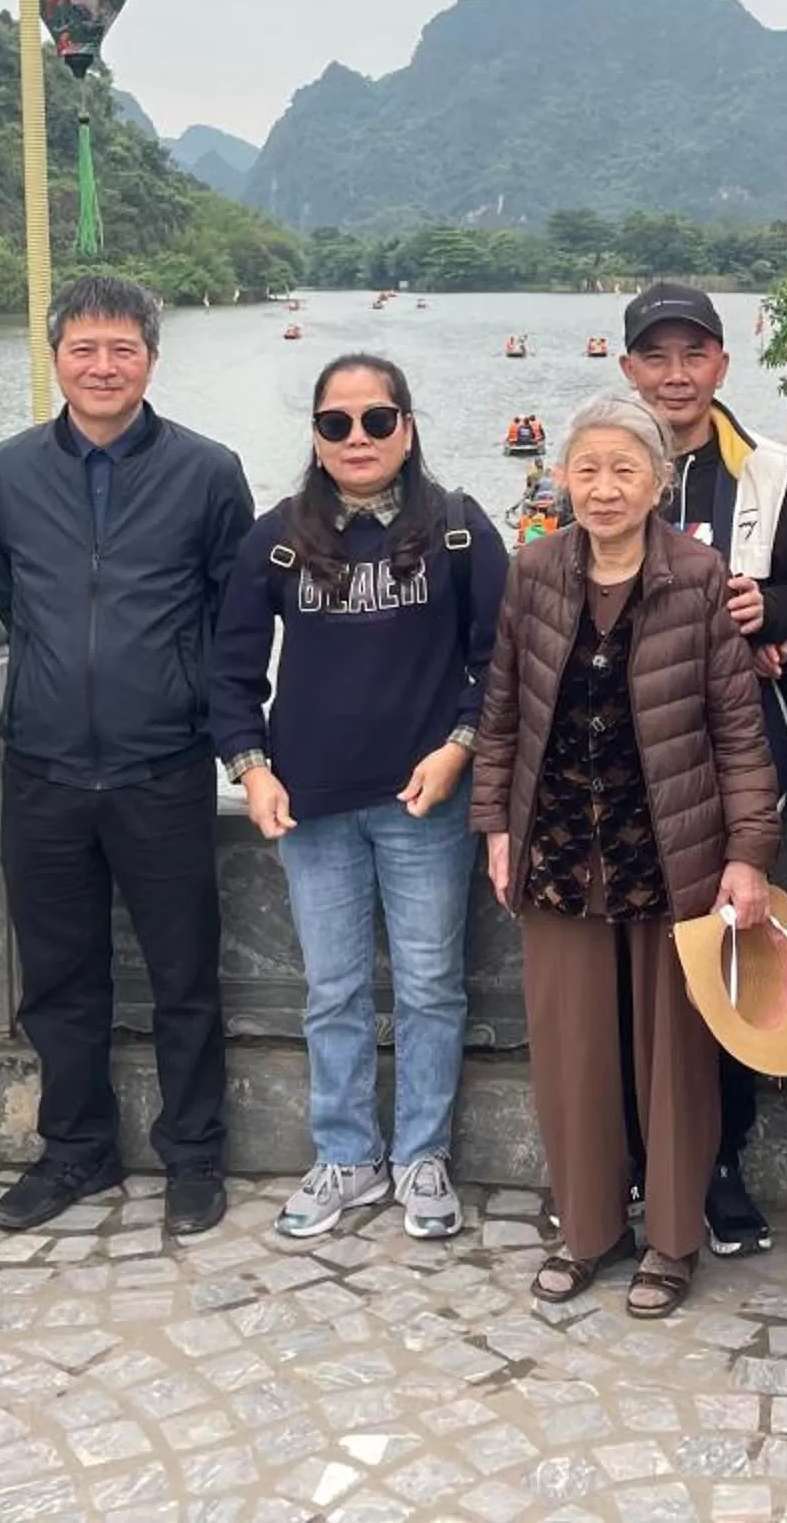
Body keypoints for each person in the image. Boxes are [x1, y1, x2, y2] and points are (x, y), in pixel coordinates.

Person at [473, 391, 780, 1320]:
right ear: (562, 478)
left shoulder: (697, 577)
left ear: (657, 482)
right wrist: (496, 826)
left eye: (625, 470)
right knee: (572, 1052)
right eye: (588, 469)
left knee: (673, 1058)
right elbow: (502, 714)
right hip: (560, 844)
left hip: (670, 850)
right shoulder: (534, 571)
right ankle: (588, 1228)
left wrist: (748, 852)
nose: (604, 488)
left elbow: (738, 731)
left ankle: (673, 1239)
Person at [0, 275, 256, 1238]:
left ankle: (194, 1152)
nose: (103, 366)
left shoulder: (208, 472)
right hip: (44, 764)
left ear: (151, 360)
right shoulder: (5, 473)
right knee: (58, 978)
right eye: (83, 349)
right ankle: (76, 1150)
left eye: (122, 349)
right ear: (56, 358)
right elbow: (8, 595)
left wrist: (191, 708)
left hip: (161, 763)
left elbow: (230, 615)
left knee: (184, 974)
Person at [216, 352, 504, 1244]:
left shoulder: (458, 530)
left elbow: (500, 662)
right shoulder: (275, 538)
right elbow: (231, 669)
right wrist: (252, 768)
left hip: (426, 801)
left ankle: (422, 1154)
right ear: (315, 436)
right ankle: (345, 1153)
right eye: (335, 423)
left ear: (407, 429)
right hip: (313, 804)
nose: (357, 438)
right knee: (332, 990)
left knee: (430, 986)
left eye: (377, 419)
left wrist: (458, 749)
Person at [615, 280, 787, 1255]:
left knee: (724, 963)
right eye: (656, 356)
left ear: (723, 365)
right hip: (621, 761)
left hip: (734, 758)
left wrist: (771, 612)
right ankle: (628, 1158)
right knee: (624, 974)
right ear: (628, 369)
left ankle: (720, 1162)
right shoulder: (603, 466)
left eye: (693, 354)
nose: (676, 374)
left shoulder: (776, 470)